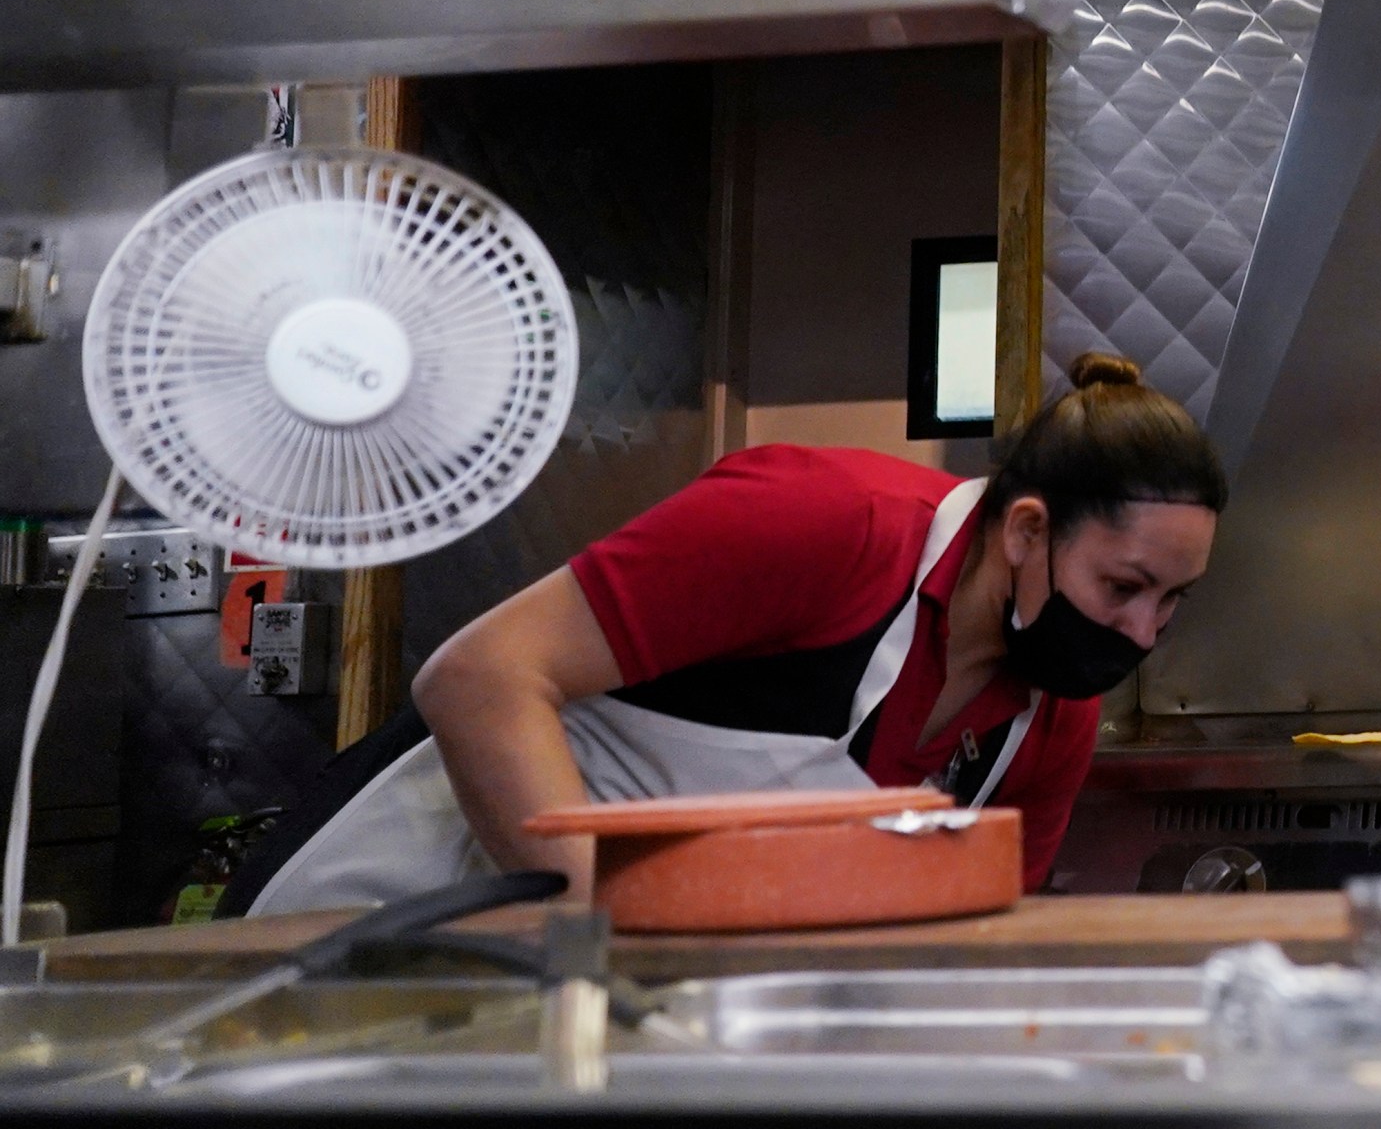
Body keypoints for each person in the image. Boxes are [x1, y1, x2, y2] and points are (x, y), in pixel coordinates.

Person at [231, 352, 1224, 914]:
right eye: (1123, 585)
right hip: (387, 904)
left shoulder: (1047, 720)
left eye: (1171, 604)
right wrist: (595, 934)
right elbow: (478, 678)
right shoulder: (824, 525)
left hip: (597, 995)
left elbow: (980, 923)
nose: (1139, 632)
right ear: (1026, 530)